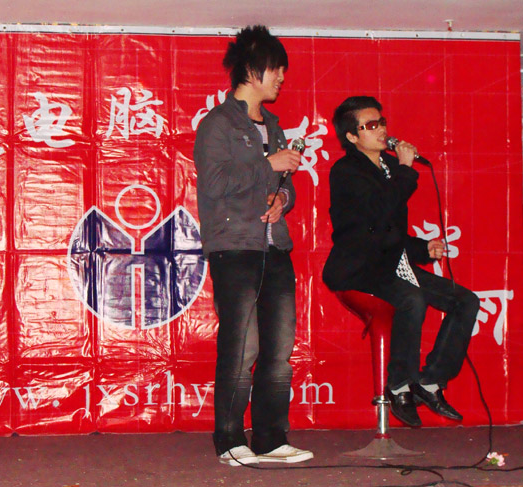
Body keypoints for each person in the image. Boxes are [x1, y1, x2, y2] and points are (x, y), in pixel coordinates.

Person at [193, 25, 313, 466]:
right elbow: (215, 182)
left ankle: (270, 438)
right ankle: (229, 440)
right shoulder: (218, 124)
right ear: (250, 69)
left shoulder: (275, 127)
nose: (281, 77)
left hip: (274, 247)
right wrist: (268, 165)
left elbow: (285, 185)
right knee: (241, 348)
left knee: (279, 352)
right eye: (275, 68)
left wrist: (282, 200)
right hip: (235, 247)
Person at [323, 96, 480, 428]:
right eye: (370, 125)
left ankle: (430, 382)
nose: (381, 130)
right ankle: (398, 386)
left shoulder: (391, 169)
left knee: (465, 300)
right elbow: (377, 215)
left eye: (381, 122)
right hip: (359, 268)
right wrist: (406, 170)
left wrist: (424, 249)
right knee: (412, 298)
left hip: (392, 263)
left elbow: (391, 232)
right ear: (351, 136)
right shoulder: (346, 171)